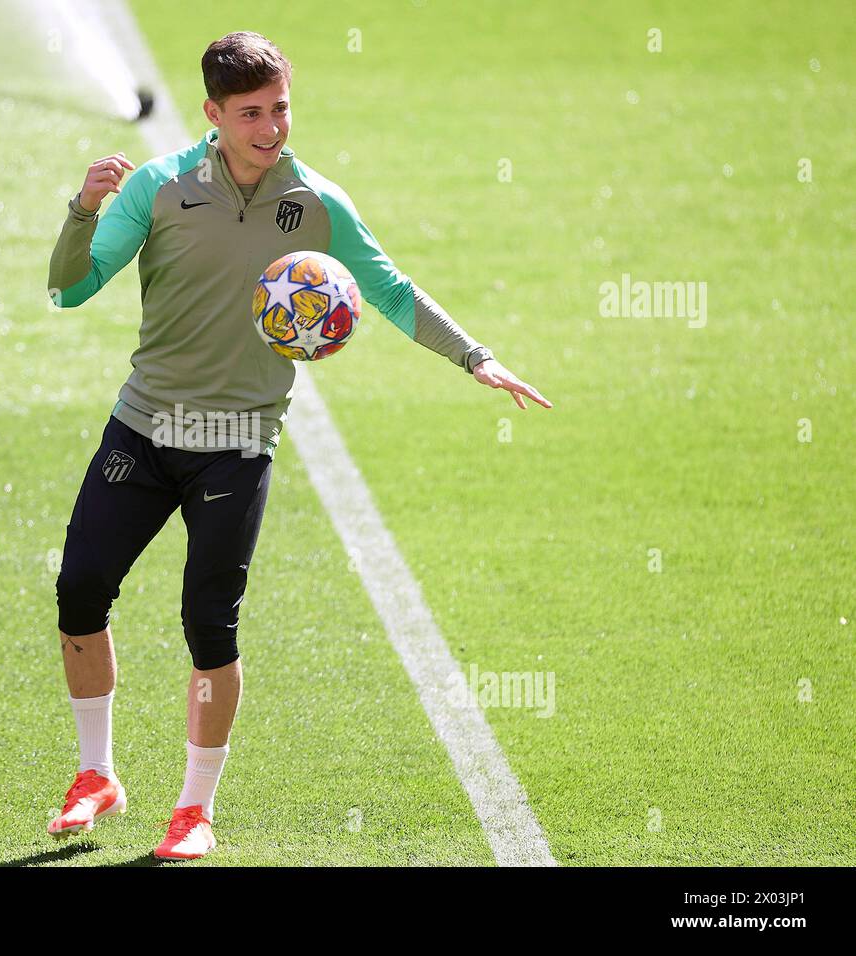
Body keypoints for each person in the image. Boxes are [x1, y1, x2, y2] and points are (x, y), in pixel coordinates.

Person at [45, 32, 550, 860]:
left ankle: (193, 810)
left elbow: (388, 287)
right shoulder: (158, 189)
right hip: (145, 428)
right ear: (212, 114)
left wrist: (477, 357)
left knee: (209, 625)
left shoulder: (315, 202)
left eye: (280, 107)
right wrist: (83, 211)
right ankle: (96, 773)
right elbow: (68, 289)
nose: (272, 126)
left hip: (237, 443)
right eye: (251, 113)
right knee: (79, 592)